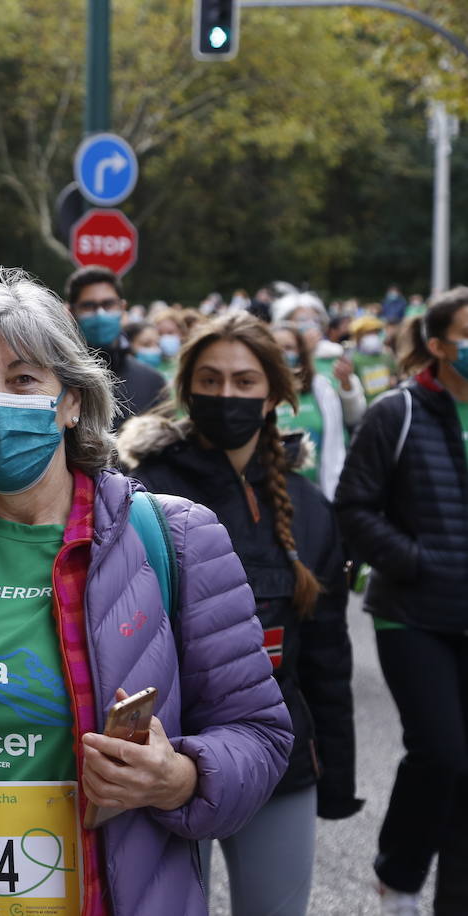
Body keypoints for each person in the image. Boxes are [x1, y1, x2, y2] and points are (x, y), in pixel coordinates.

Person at [0, 270, 293, 915]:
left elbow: (259, 735)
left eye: (24, 380)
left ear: (71, 401)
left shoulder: (177, 540)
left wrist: (180, 778)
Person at [119, 311, 360, 916]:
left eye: (245, 382)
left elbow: (327, 656)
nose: (226, 395)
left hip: (277, 761)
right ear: (187, 387)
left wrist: (336, 771)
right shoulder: (138, 492)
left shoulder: (307, 508)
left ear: (275, 393)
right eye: (210, 379)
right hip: (162, 760)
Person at [336, 286, 468, 916]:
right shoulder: (400, 412)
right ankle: (400, 874)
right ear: (439, 347)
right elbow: (354, 508)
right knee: (442, 752)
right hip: (411, 613)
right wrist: (417, 562)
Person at [271, 322, 364, 500]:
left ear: (300, 352)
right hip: (272, 497)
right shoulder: (259, 393)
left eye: (289, 347)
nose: (282, 353)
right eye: (276, 347)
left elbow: (343, 431)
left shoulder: (320, 388)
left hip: (319, 494)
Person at [65, 266, 165, 422]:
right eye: (88, 306)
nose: (100, 314)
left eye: (108, 304)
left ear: (122, 307)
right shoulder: (59, 379)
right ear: (71, 312)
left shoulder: (152, 382)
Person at [349, 315, 399, 399]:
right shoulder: (354, 359)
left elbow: (394, 375)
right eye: (368, 333)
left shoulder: (386, 355)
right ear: (358, 336)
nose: (373, 336)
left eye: (375, 332)